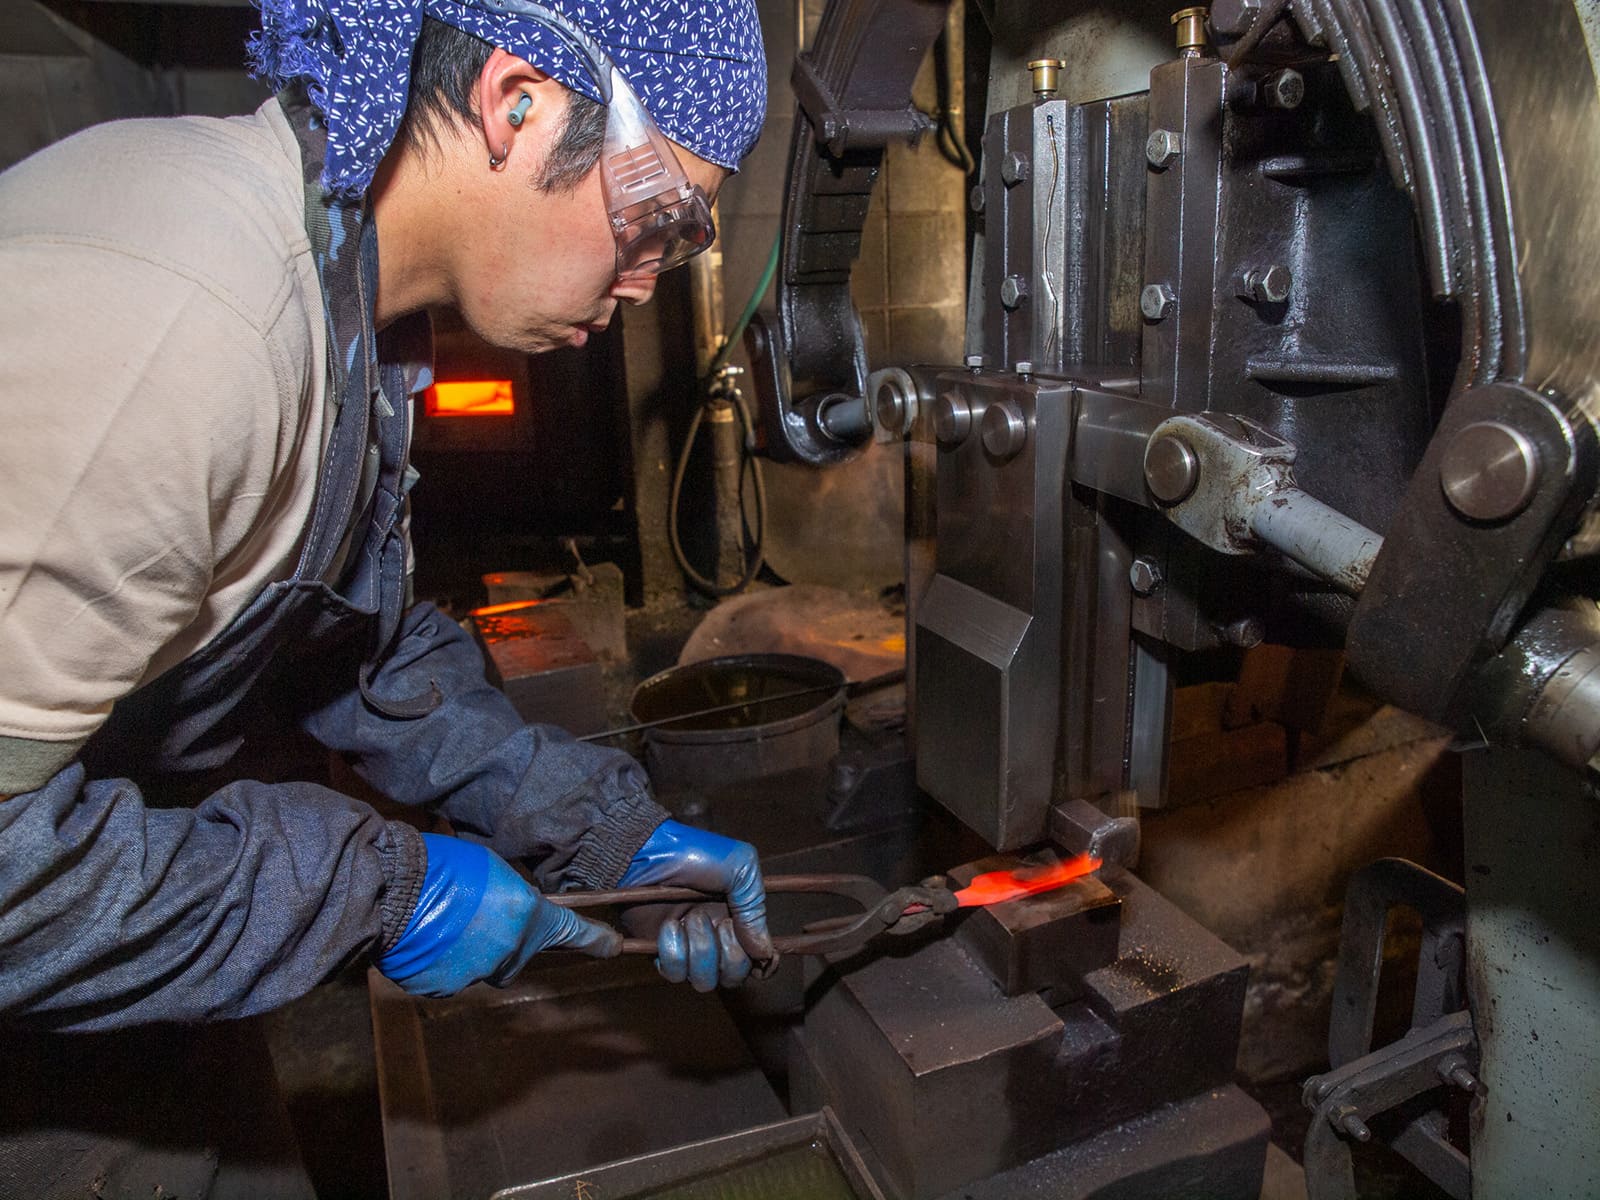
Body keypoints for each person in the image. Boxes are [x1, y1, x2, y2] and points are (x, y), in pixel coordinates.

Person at [0, 0, 769, 1190]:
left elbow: (346, 652)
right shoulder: (189, 312)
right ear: (516, 102)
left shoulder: (352, 313)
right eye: (659, 214)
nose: (646, 283)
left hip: (113, 946)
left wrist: (598, 829)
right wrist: (373, 892)